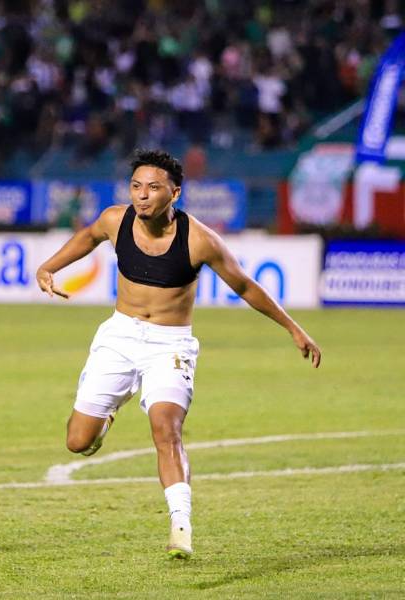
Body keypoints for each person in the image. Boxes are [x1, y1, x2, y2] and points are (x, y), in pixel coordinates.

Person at [35, 149, 321, 559]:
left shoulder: (200, 240)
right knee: (77, 441)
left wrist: (293, 328)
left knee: (166, 429)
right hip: (119, 338)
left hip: (169, 345)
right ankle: (108, 415)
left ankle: (180, 524)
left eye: (153, 187)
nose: (142, 195)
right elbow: (89, 236)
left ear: (175, 193)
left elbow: (244, 285)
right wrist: (49, 266)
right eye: (136, 186)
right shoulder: (116, 220)